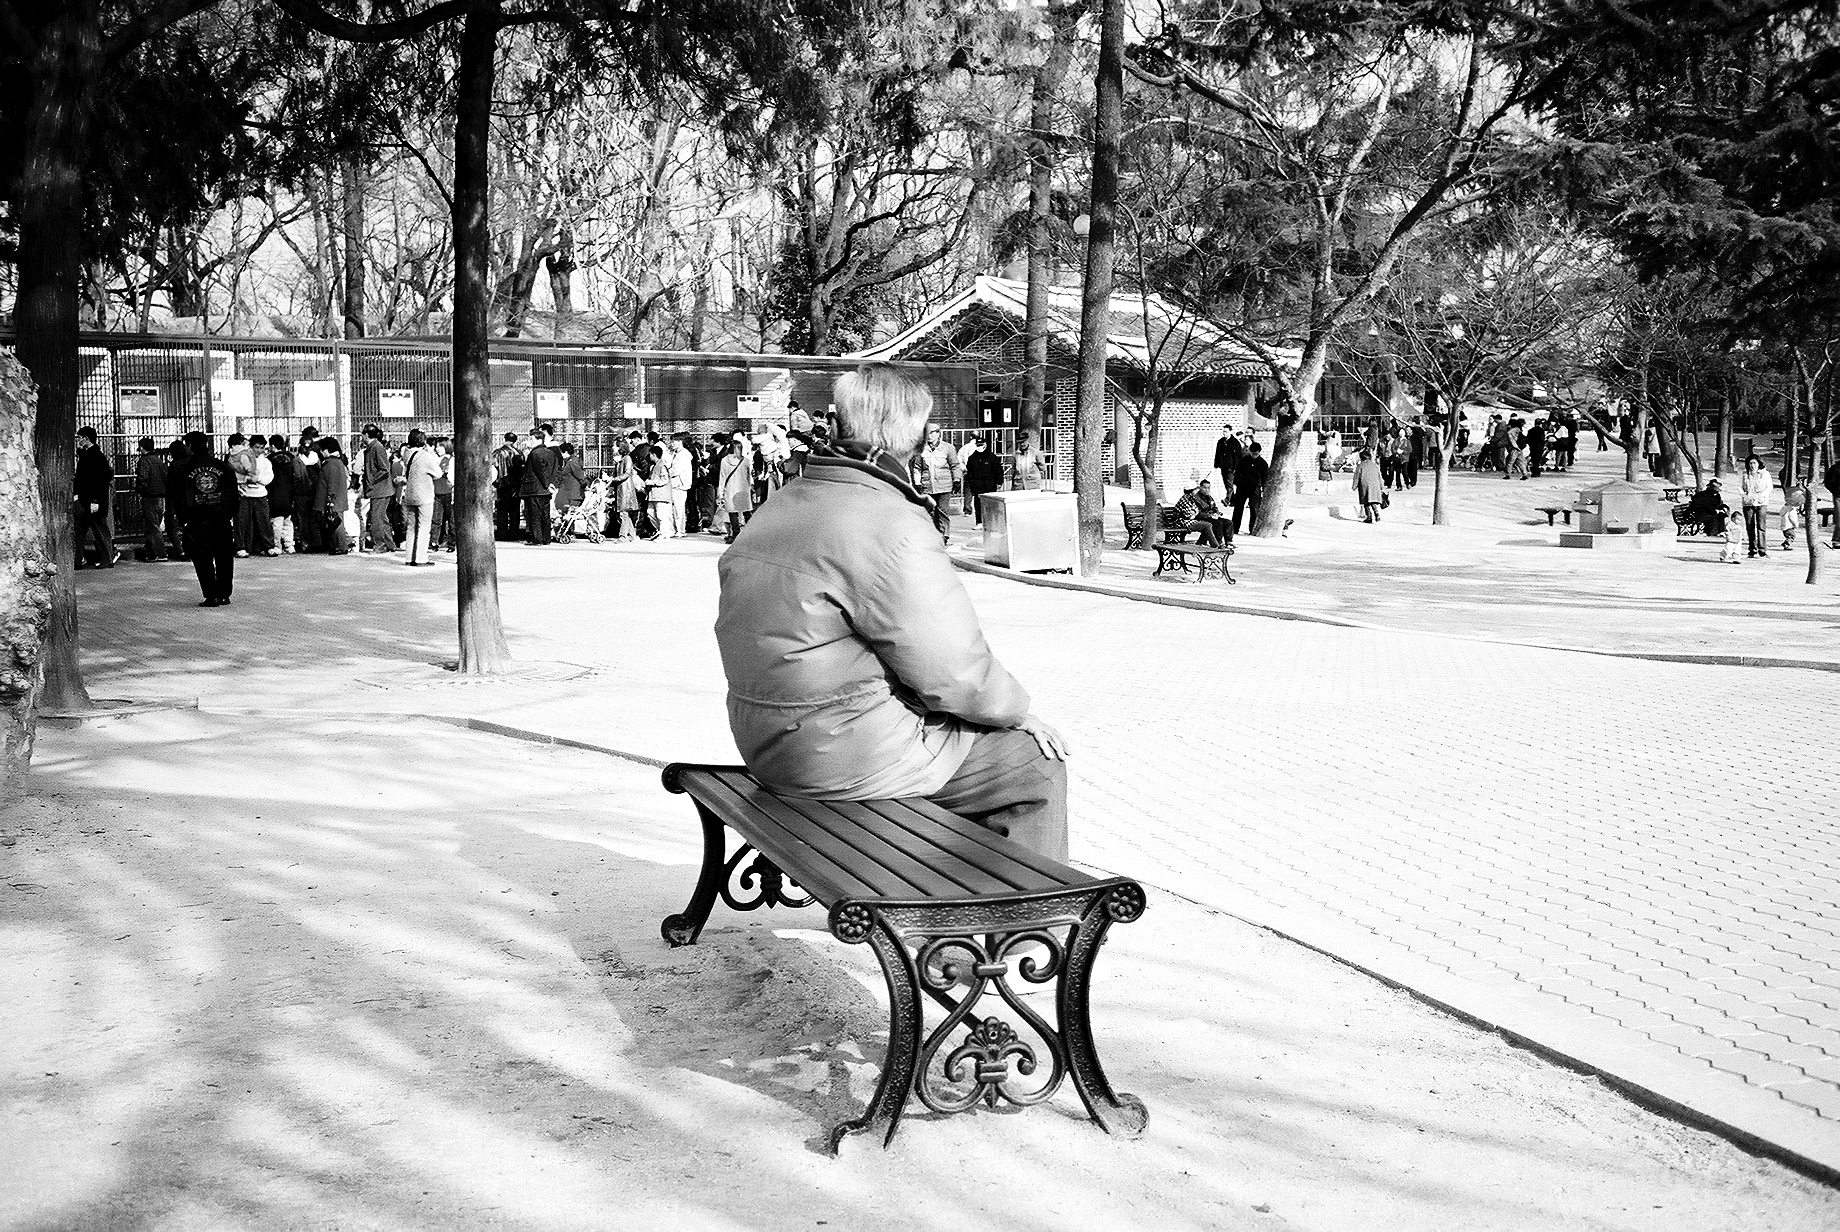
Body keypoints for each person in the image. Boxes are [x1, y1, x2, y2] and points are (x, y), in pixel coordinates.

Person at [715, 363, 1069, 860]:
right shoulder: (890, 521)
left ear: (838, 424)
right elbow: (954, 670)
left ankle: (953, 884)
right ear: (917, 437)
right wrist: (1015, 711)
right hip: (843, 753)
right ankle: (1028, 908)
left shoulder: (782, 503)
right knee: (1033, 763)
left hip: (767, 738)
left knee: (967, 737)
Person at [170, 431, 237, 606]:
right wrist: (229, 514)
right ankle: (224, 593)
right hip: (221, 519)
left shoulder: (183, 469)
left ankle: (211, 594)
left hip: (197, 520)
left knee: (202, 559)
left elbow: (178, 496)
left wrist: (183, 517)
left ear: (189, 445)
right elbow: (232, 493)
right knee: (224, 557)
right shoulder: (223, 467)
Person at [73, 426, 118, 568]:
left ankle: (104, 559)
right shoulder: (92, 455)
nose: (78, 440)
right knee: (87, 531)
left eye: (80, 438)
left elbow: (99, 481)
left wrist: (94, 500)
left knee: (95, 531)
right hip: (87, 500)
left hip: (90, 500)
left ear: (86, 438)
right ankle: (82, 560)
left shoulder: (95, 456)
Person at [399, 428, 442, 566]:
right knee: (424, 526)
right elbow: (438, 473)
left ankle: (409, 557)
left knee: (411, 526)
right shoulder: (425, 456)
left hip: (410, 494)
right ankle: (421, 558)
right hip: (424, 495)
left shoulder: (406, 454)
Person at [132, 437, 175, 562]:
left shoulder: (144, 461)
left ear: (141, 447)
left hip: (150, 497)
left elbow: (143, 478)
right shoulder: (159, 461)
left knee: (152, 526)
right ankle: (151, 550)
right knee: (155, 525)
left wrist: (139, 489)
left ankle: (160, 553)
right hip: (161, 497)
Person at [520, 424, 561, 545]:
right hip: (546, 490)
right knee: (545, 515)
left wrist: (546, 483)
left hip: (536, 488)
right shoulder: (551, 453)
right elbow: (556, 469)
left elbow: (540, 471)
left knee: (535, 515)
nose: (530, 441)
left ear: (539, 440)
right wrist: (552, 484)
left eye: (532, 439)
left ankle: (537, 538)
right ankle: (546, 538)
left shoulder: (535, 453)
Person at [266, 435, 303, 555]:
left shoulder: (269, 460)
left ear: (272, 446)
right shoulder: (291, 458)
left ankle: (277, 545)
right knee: (288, 520)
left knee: (276, 521)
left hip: (274, 493)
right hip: (289, 493)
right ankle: (289, 545)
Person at [315, 437, 353, 554]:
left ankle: (342, 546)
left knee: (336, 524)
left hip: (334, 500)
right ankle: (341, 545)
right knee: (336, 523)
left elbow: (332, 485)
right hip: (336, 499)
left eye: (322, 450)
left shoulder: (331, 464)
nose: (321, 452)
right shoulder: (336, 462)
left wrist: (330, 502)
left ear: (327, 450)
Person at [717, 433, 754, 542]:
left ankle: (736, 534)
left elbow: (722, 477)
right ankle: (751, 534)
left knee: (733, 513)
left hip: (730, 489)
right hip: (743, 489)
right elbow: (748, 476)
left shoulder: (724, 460)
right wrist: (750, 488)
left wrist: (720, 492)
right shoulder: (745, 461)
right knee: (746, 512)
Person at [963, 433, 1005, 524]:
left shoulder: (992, 457)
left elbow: (998, 470)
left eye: (981, 445)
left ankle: (991, 522)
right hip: (977, 486)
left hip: (989, 485)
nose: (980, 447)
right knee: (978, 505)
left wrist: (999, 482)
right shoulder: (972, 458)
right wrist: (971, 483)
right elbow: (969, 471)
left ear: (985, 445)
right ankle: (979, 522)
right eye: (978, 445)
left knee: (991, 505)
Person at [1739, 454, 1772, 558]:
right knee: (1750, 526)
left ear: (1758, 464)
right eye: (1750, 463)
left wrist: (1763, 496)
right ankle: (1752, 549)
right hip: (1748, 503)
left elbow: (1769, 487)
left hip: (1761, 503)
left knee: (1761, 526)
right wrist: (1744, 496)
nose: (1752, 465)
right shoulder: (1744, 474)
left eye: (1754, 463)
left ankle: (1762, 549)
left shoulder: (1765, 474)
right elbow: (1739, 486)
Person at [492, 433, 524, 541]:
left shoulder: (498, 452)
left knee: (502, 510)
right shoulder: (519, 453)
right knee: (515, 510)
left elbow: (493, 467)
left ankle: (502, 533)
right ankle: (514, 533)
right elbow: (522, 469)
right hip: (516, 485)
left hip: (502, 484)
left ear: (504, 439)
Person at [663, 433, 696, 537]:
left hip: (679, 485)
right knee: (674, 509)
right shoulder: (675, 453)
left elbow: (675, 470)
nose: (671, 444)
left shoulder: (683, 455)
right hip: (675, 484)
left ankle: (680, 530)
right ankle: (674, 529)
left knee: (679, 509)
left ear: (680, 442)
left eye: (673, 441)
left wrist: (667, 470)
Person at [1232, 441, 1268, 534]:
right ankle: (1234, 528)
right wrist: (1237, 483)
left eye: (1256, 453)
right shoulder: (1243, 460)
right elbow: (1237, 472)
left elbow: (1265, 478)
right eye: (1252, 453)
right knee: (1238, 508)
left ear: (1259, 452)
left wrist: (1263, 489)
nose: (1254, 455)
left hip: (1255, 488)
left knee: (1254, 509)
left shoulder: (1263, 463)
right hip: (1242, 487)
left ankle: (1253, 529)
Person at [554, 441, 588, 529]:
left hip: (573, 493)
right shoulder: (570, 461)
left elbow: (580, 476)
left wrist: (585, 485)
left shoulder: (573, 462)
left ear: (565, 452)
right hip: (569, 492)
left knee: (571, 513)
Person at [430, 437, 455, 551]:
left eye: (441, 446)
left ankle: (452, 543)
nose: (437, 448)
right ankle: (434, 541)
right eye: (437, 446)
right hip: (437, 492)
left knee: (451, 520)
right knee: (436, 519)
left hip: (449, 492)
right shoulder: (434, 459)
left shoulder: (450, 460)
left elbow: (448, 475)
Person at [1353, 448, 1385, 522]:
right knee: (1373, 500)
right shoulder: (1375, 465)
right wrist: (1381, 486)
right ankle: (1377, 513)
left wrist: (1354, 486)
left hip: (1364, 485)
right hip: (1375, 485)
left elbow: (1356, 477)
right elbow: (1379, 476)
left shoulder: (1360, 465)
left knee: (1366, 501)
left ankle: (1369, 517)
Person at [1213, 424, 1244, 496]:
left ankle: (1228, 499)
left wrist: (1235, 467)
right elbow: (1217, 453)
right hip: (1223, 466)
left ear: (1230, 432)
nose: (1224, 433)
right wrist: (1216, 464)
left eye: (1226, 432)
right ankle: (1232, 499)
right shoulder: (1220, 441)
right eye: (1223, 431)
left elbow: (1238, 456)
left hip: (1231, 467)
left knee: (1229, 484)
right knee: (1226, 484)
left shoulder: (1235, 442)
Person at [1827, 453, 1840, 549]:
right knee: (1839, 519)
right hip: (1838, 496)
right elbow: (1828, 483)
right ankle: (1836, 540)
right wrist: (1836, 492)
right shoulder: (1835, 468)